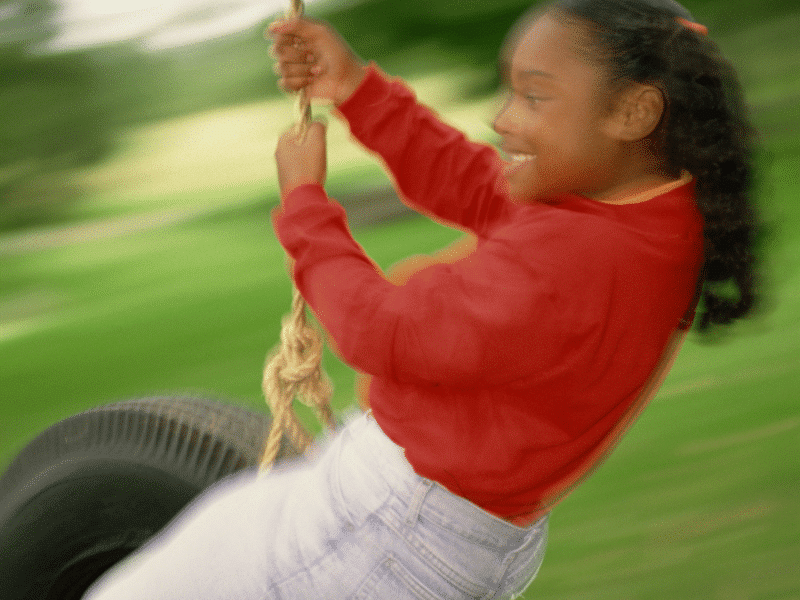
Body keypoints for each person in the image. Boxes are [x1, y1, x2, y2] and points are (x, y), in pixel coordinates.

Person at [82, 0, 759, 598]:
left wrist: (305, 205)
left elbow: (379, 330)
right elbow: (470, 181)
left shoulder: (576, 259)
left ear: (634, 111)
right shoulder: (644, 213)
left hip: (394, 528)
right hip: (452, 525)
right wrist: (354, 88)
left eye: (535, 97)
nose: (503, 118)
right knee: (214, 527)